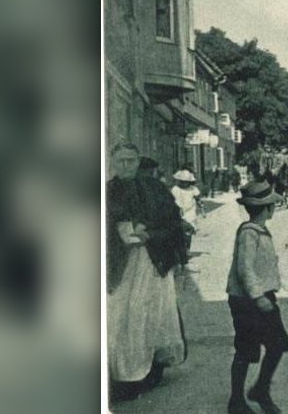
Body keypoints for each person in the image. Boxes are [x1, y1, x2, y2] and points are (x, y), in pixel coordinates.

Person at [106, 143, 188, 401]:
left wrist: (149, 234)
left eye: (131, 160)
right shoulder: (107, 191)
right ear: (112, 162)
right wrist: (120, 235)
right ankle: (123, 375)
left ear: (138, 161)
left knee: (151, 314)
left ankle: (151, 368)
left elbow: (174, 222)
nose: (126, 166)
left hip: (153, 262)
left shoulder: (155, 189)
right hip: (121, 265)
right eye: (121, 161)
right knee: (122, 316)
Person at [227, 182, 288, 414]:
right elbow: (245, 269)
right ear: (266, 208)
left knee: (278, 344)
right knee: (246, 349)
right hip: (248, 300)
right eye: (272, 204)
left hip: (263, 296)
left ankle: (261, 389)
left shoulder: (259, 229)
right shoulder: (249, 233)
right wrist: (258, 297)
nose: (273, 208)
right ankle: (236, 401)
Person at [171, 169, 203, 271]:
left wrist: (202, 207)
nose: (184, 183)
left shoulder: (193, 189)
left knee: (189, 232)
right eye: (182, 181)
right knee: (180, 233)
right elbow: (172, 201)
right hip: (179, 212)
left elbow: (198, 198)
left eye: (186, 182)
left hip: (190, 213)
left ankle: (187, 250)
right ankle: (181, 252)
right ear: (179, 181)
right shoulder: (175, 189)